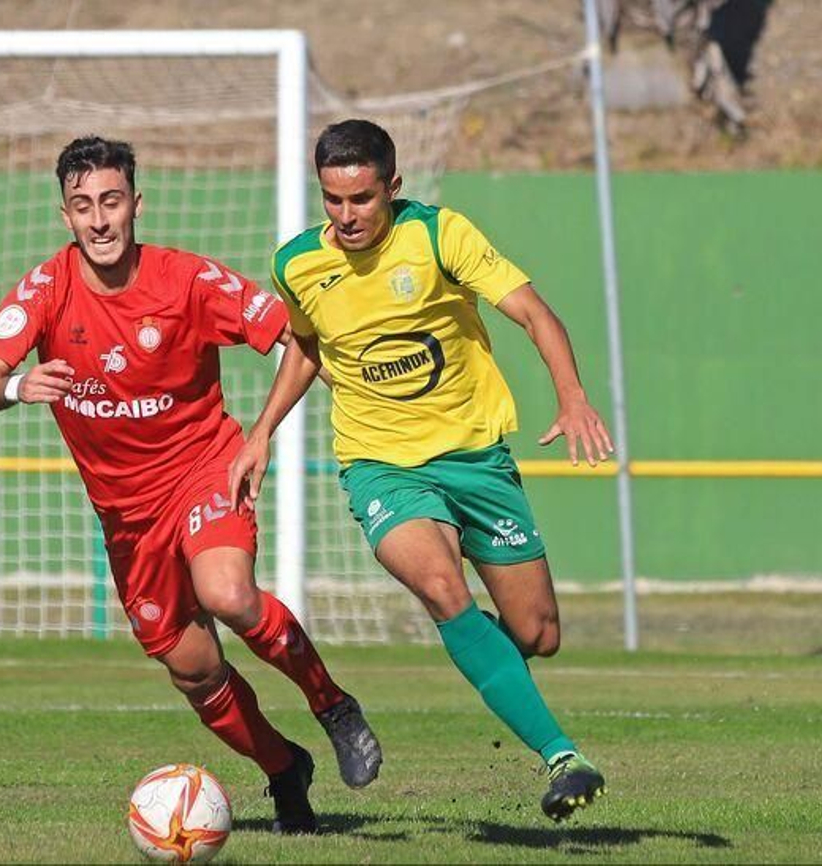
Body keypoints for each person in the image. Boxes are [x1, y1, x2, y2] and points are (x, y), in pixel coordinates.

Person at [0, 136, 381, 834]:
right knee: (195, 671)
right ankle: (285, 769)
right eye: (82, 206)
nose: (99, 220)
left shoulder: (187, 280)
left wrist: (277, 429)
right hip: (127, 519)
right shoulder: (43, 291)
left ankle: (332, 704)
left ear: (135, 205)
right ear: (65, 216)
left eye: (111, 202)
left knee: (228, 594)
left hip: (203, 468)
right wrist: (14, 383)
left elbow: (296, 337)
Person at [228, 119, 614, 822]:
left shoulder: (441, 235)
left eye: (362, 199)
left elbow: (535, 313)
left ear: (393, 187)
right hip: (381, 467)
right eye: (333, 200)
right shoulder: (298, 265)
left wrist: (573, 395)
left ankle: (495, 666)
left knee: (536, 636)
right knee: (442, 586)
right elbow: (308, 348)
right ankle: (563, 755)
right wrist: (262, 434)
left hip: (477, 458)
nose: (346, 216)